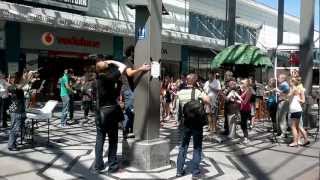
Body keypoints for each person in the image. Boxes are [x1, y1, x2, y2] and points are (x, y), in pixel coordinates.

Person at [93, 59, 126, 174]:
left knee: (100, 139)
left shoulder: (97, 80)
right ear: (107, 69)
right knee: (113, 140)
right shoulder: (109, 78)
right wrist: (112, 61)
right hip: (110, 113)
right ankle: (112, 166)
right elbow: (123, 66)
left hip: (99, 113)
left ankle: (98, 166)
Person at [175, 74, 210, 179]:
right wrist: (202, 90)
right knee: (197, 147)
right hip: (197, 123)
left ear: (186, 81)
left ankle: (179, 171)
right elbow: (208, 100)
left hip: (185, 123)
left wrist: (178, 121)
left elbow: (176, 108)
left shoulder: (180, 93)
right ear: (195, 82)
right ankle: (195, 172)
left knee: (183, 147)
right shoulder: (198, 92)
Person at [121, 45, 151, 139]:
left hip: (132, 89)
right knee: (129, 110)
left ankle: (131, 130)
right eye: (135, 51)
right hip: (128, 89)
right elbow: (129, 73)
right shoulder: (127, 61)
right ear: (131, 52)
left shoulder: (133, 61)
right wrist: (141, 69)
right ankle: (125, 131)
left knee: (132, 111)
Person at [288, 77, 309, 147]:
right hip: (298, 109)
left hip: (294, 109)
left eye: (290, 82)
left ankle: (295, 142)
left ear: (292, 82)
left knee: (293, 126)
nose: (289, 83)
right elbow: (303, 101)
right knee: (299, 126)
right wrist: (298, 100)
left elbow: (287, 96)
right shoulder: (300, 89)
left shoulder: (294, 88)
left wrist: (279, 93)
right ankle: (306, 139)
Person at [7, 73, 26, 151]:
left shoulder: (13, 87)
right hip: (16, 110)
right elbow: (21, 86)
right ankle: (11, 145)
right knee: (15, 128)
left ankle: (12, 143)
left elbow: (21, 86)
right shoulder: (13, 87)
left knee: (15, 127)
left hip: (17, 109)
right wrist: (27, 78)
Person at [276, 74, 290, 138]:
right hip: (282, 101)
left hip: (283, 102)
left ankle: (283, 133)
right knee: (281, 117)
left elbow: (286, 92)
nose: (277, 79)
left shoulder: (284, 84)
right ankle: (281, 132)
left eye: (278, 77)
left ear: (283, 78)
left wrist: (278, 91)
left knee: (282, 118)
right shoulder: (283, 84)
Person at [240, 79, 252, 144]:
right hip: (242, 108)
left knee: (244, 124)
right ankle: (245, 137)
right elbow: (241, 98)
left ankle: (246, 138)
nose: (241, 84)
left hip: (246, 109)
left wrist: (238, 98)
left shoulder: (248, 91)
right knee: (242, 124)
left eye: (243, 83)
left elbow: (245, 102)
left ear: (246, 84)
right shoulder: (245, 90)